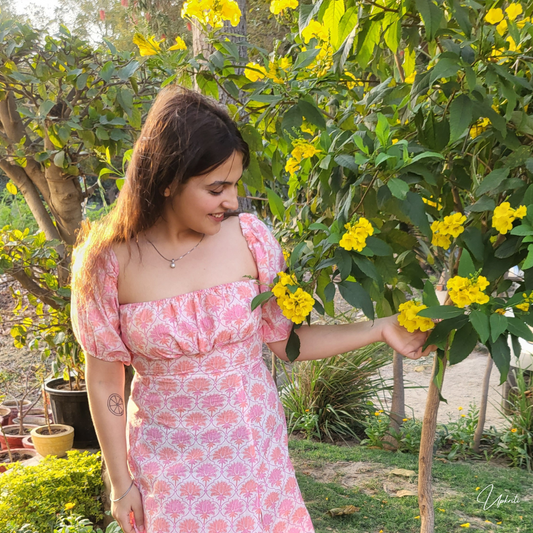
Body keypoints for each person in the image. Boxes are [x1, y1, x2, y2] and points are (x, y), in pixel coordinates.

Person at [71, 86, 434, 533]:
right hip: (164, 468)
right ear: (166, 180)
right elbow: (105, 376)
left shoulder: (251, 239)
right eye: (216, 187)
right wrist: (120, 482)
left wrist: (381, 328)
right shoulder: (108, 262)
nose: (231, 200)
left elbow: (285, 342)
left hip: (252, 456)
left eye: (235, 184)